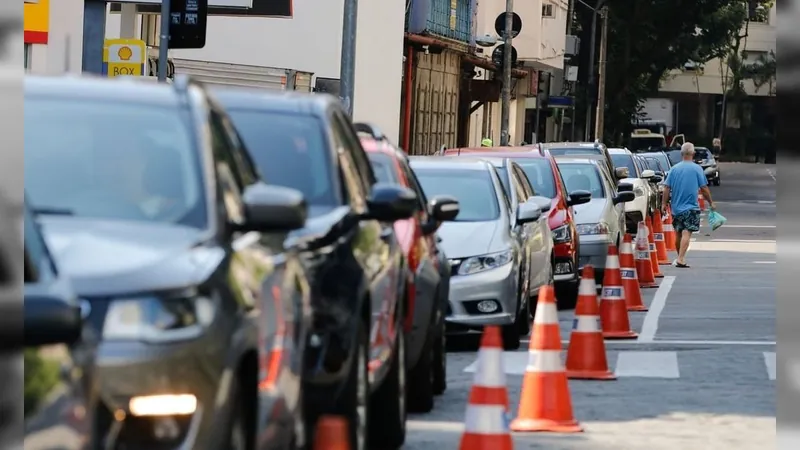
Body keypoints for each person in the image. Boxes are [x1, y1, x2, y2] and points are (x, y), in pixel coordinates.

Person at [661, 142, 715, 268]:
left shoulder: (674, 169)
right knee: (687, 232)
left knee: (678, 233)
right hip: (691, 207)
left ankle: (680, 257)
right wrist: (711, 202)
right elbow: (704, 188)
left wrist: (664, 203)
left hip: (676, 208)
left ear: (681, 154)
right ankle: (680, 258)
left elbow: (666, 188)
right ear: (693, 154)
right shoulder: (697, 169)